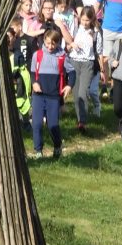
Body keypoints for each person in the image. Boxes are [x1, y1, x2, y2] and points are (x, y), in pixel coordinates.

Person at [30, 29, 68, 158]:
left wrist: (69, 86)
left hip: (53, 96)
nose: (50, 46)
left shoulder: (62, 56)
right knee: (37, 123)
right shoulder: (38, 55)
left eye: (53, 44)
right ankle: (38, 150)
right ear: (44, 41)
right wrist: (34, 83)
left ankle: (57, 146)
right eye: (47, 43)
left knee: (53, 125)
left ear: (58, 43)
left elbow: (71, 73)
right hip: (38, 95)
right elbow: (32, 72)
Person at [69, 6, 103, 132]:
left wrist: (102, 70)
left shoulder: (96, 32)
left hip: (88, 63)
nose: (84, 23)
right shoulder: (76, 28)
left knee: (83, 93)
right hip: (74, 62)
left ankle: (83, 121)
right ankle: (79, 120)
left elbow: (99, 52)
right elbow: (68, 42)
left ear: (92, 19)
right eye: (82, 20)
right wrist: (71, 45)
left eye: (87, 20)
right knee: (76, 94)